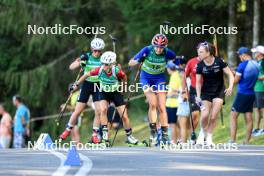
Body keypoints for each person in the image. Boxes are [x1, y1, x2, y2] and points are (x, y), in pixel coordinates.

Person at [71, 51, 139, 145]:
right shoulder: (99, 69)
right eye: (103, 64)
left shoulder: (116, 71)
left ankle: (130, 136)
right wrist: (76, 84)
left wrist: (123, 88)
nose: (105, 66)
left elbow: (124, 78)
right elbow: (86, 75)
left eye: (107, 65)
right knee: (103, 110)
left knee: (124, 116)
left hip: (115, 93)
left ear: (112, 64)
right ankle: (105, 136)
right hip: (103, 92)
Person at [128, 34, 180, 146]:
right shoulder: (147, 50)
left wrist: (179, 63)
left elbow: (175, 59)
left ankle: (165, 135)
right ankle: (153, 132)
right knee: (152, 104)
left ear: (165, 46)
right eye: (156, 46)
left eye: (161, 47)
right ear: (153, 45)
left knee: (162, 106)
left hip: (159, 79)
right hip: (146, 79)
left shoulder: (168, 52)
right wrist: (139, 60)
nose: (158, 49)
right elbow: (130, 62)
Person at [60, 38, 105, 144]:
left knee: (98, 111)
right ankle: (67, 130)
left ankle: (94, 135)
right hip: (86, 84)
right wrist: (81, 63)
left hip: (98, 85)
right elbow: (71, 67)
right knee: (78, 110)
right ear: (92, 49)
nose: (97, 53)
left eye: (99, 51)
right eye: (95, 50)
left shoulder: (103, 58)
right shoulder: (86, 56)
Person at [195, 42, 234, 146]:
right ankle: (202, 133)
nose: (198, 54)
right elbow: (198, 83)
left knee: (213, 116)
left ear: (208, 52)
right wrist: (198, 96)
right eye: (198, 52)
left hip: (219, 91)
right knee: (204, 115)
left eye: (201, 52)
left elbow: (230, 74)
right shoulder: (199, 65)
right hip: (205, 92)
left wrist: (230, 87)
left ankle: (209, 137)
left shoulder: (219, 61)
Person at [229, 47, 259, 144]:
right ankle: (246, 141)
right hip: (251, 93)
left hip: (242, 94)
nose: (239, 57)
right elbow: (247, 77)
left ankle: (232, 140)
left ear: (243, 55)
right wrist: (235, 72)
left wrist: (230, 76)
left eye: (239, 55)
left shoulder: (242, 65)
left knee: (233, 116)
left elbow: (237, 81)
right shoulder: (256, 64)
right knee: (248, 117)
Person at [183, 55, 202, 131]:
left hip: (206, 90)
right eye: (199, 51)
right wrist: (184, 91)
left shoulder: (210, 61)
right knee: (195, 114)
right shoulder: (191, 62)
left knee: (206, 114)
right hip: (194, 90)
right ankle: (192, 134)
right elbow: (184, 76)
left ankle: (203, 136)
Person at [165, 61, 181, 144]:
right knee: (177, 124)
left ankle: (174, 142)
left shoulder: (174, 76)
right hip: (176, 104)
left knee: (172, 124)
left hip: (172, 104)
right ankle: (178, 140)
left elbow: (175, 90)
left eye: (167, 68)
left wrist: (167, 96)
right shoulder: (177, 75)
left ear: (169, 68)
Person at [251, 45, 264, 136]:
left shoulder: (263, 62)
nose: (254, 53)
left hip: (261, 88)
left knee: (262, 108)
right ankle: (256, 128)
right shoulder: (257, 62)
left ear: (260, 53)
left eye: (256, 52)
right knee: (256, 109)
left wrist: (257, 77)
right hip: (255, 88)